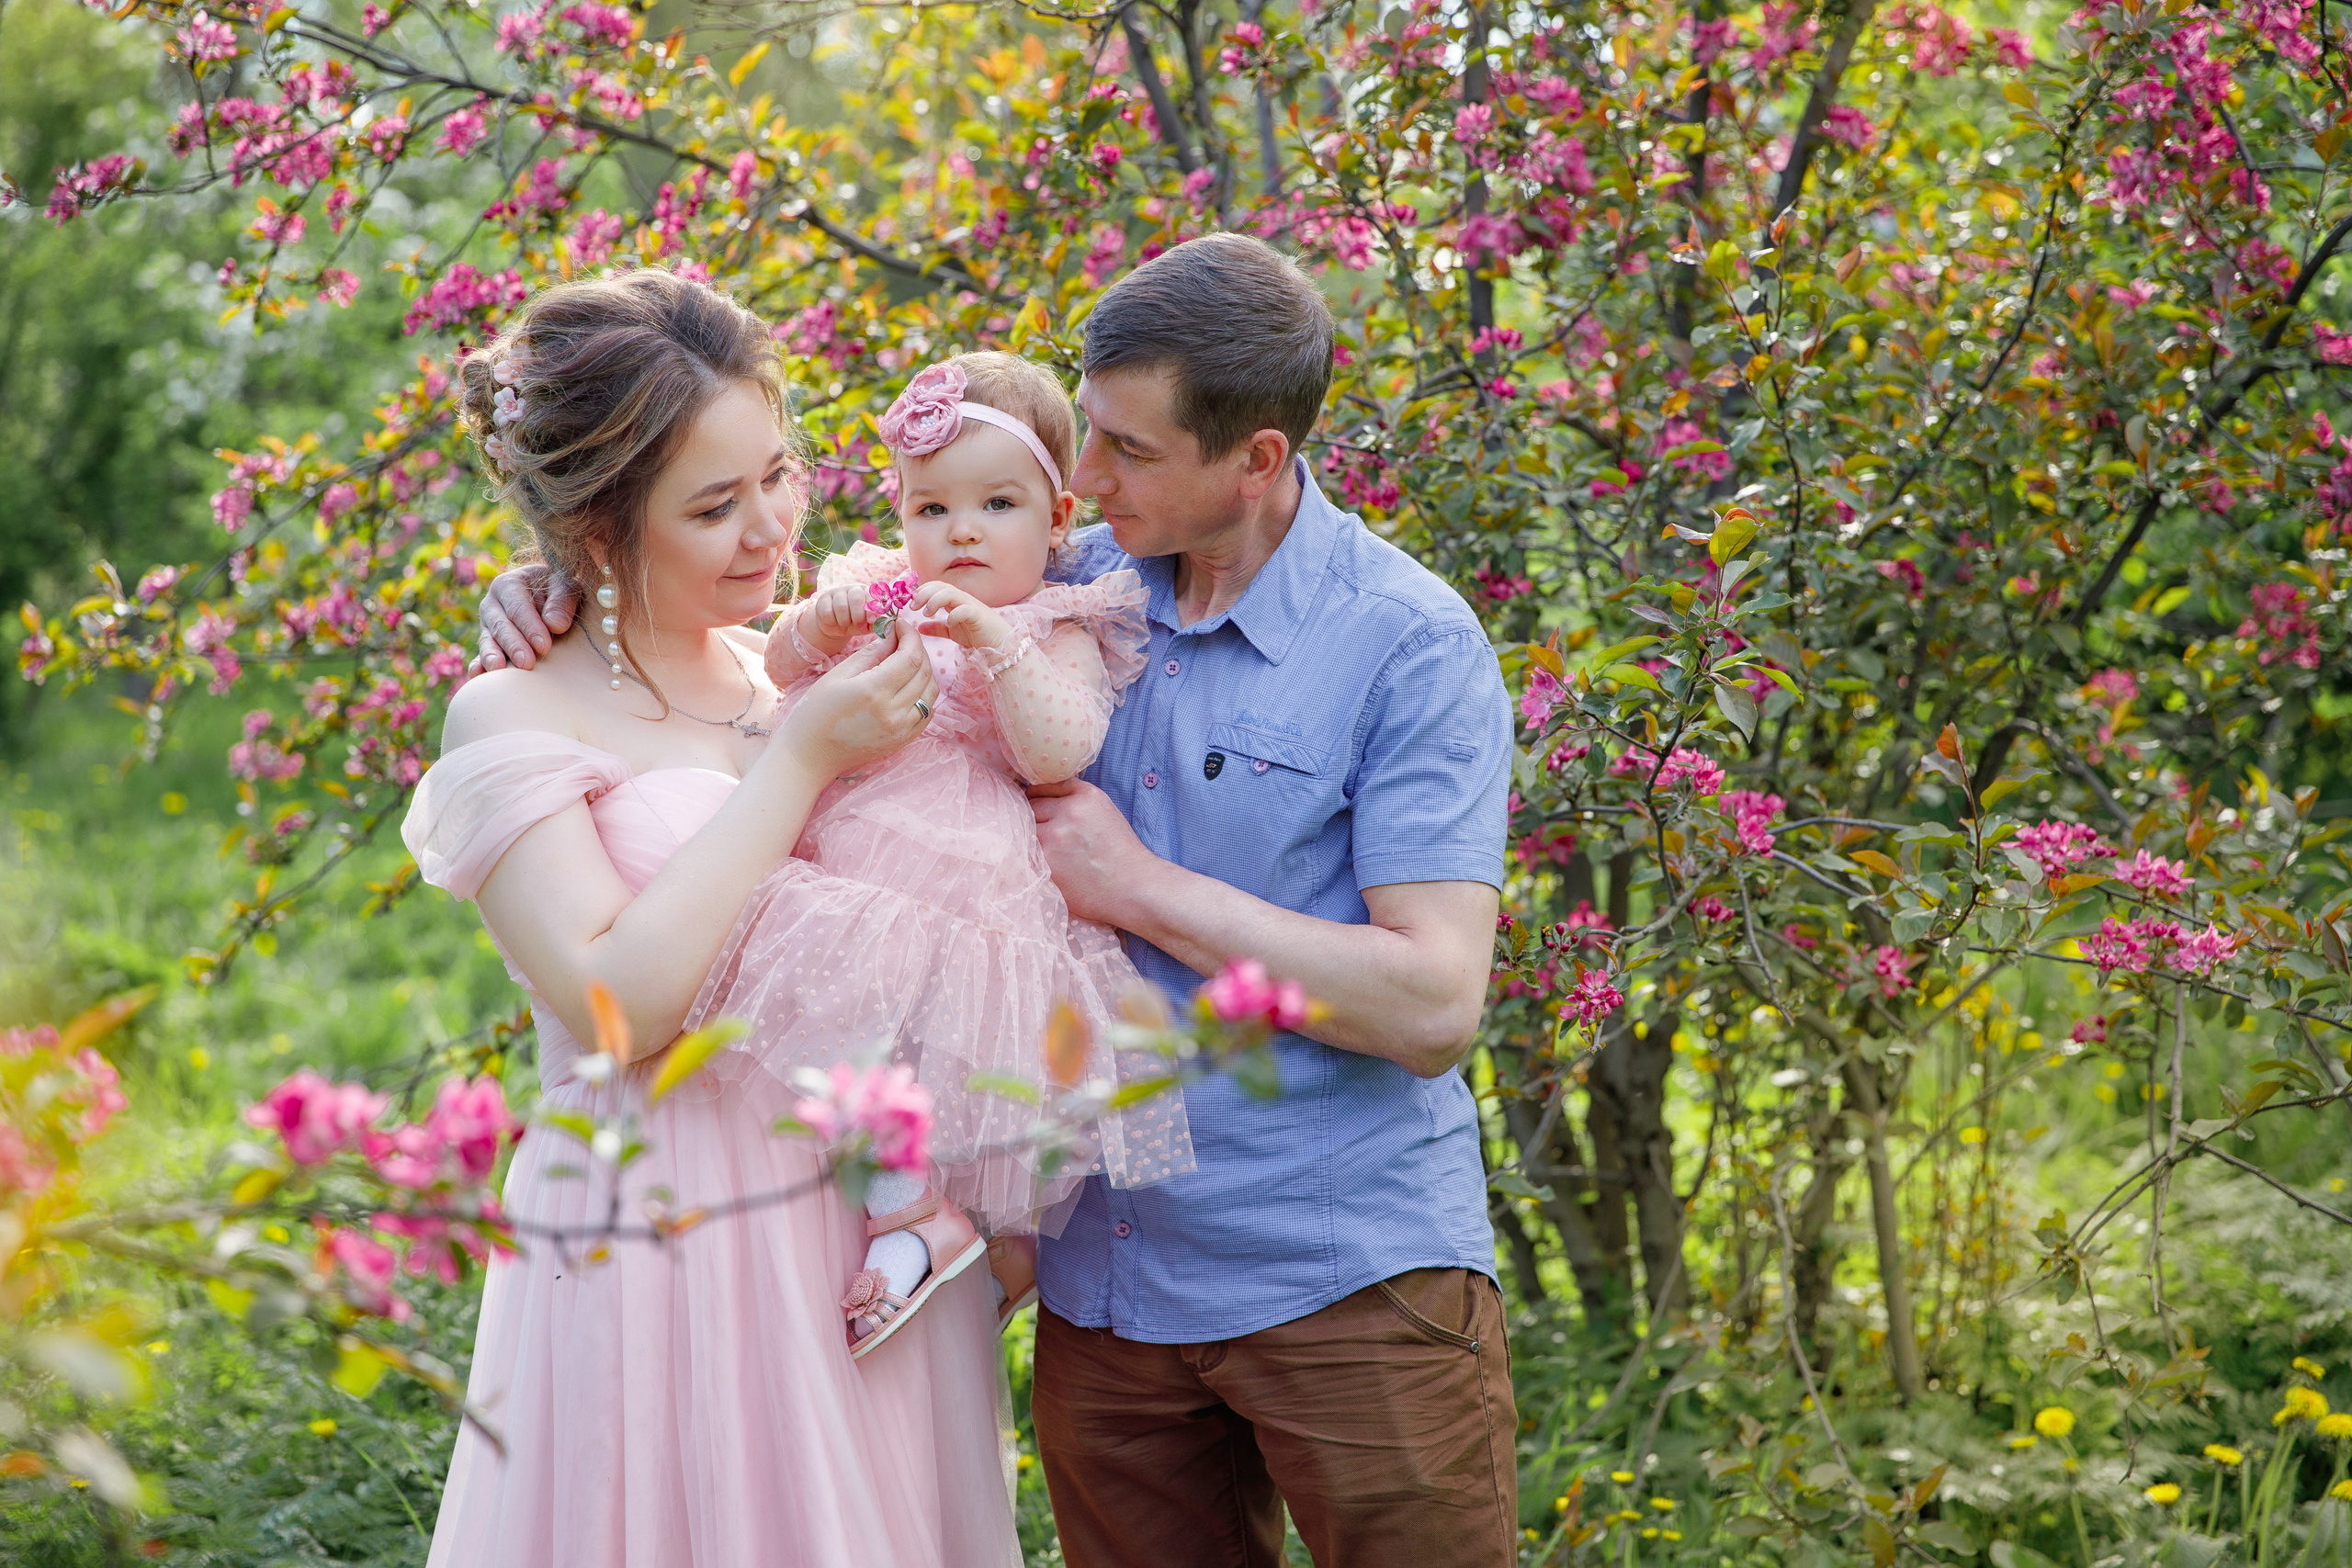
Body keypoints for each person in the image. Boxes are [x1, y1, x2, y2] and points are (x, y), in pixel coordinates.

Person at [475, 234, 1519, 1568]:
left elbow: (1435, 1001)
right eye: (1083, 437)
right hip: (1109, 1296)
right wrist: (564, 580)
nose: (1082, 480)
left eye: (1127, 452)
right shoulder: (1060, 564)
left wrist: (1142, 887)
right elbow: (749, 620)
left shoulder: (1402, 643)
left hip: (1337, 1273)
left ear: (1254, 460)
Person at [405, 269, 1018, 1567]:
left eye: (779, 473)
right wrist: (799, 761)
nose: (771, 530)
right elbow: (616, 1005)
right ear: (592, 530)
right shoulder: (515, 709)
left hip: (861, 1241)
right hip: (667, 1238)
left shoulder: (800, 658)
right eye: (712, 506)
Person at [690, 349, 1193, 1359]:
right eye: (930, 510)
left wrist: (993, 642)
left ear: (1055, 523)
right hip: (845, 850)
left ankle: (946, 1223)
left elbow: (1059, 748)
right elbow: (781, 669)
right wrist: (817, 624)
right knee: (838, 1033)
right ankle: (912, 1207)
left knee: (956, 1063)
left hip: (964, 867)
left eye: (995, 505)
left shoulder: (1056, 620)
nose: (959, 531)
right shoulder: (881, 588)